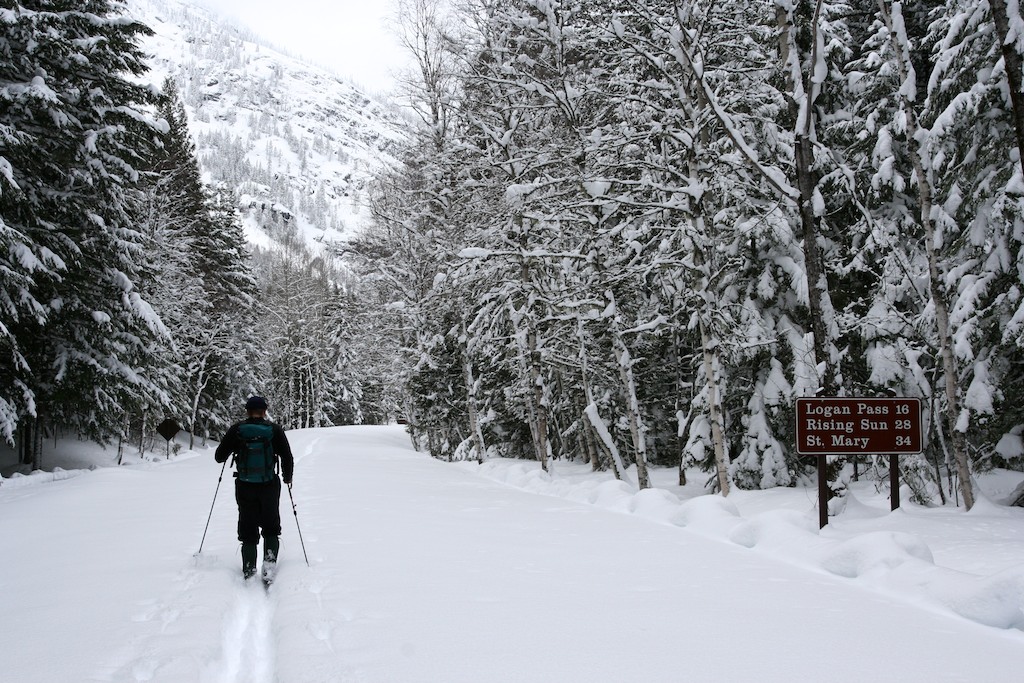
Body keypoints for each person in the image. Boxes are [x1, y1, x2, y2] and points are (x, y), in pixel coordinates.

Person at [215, 396, 294, 581]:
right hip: (269, 486)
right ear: (264, 411)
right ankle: (269, 568)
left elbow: (219, 457)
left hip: (244, 485)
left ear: (247, 411)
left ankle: (249, 570)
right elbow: (287, 456)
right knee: (271, 527)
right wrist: (287, 477)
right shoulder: (274, 430)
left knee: (248, 526)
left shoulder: (237, 430)